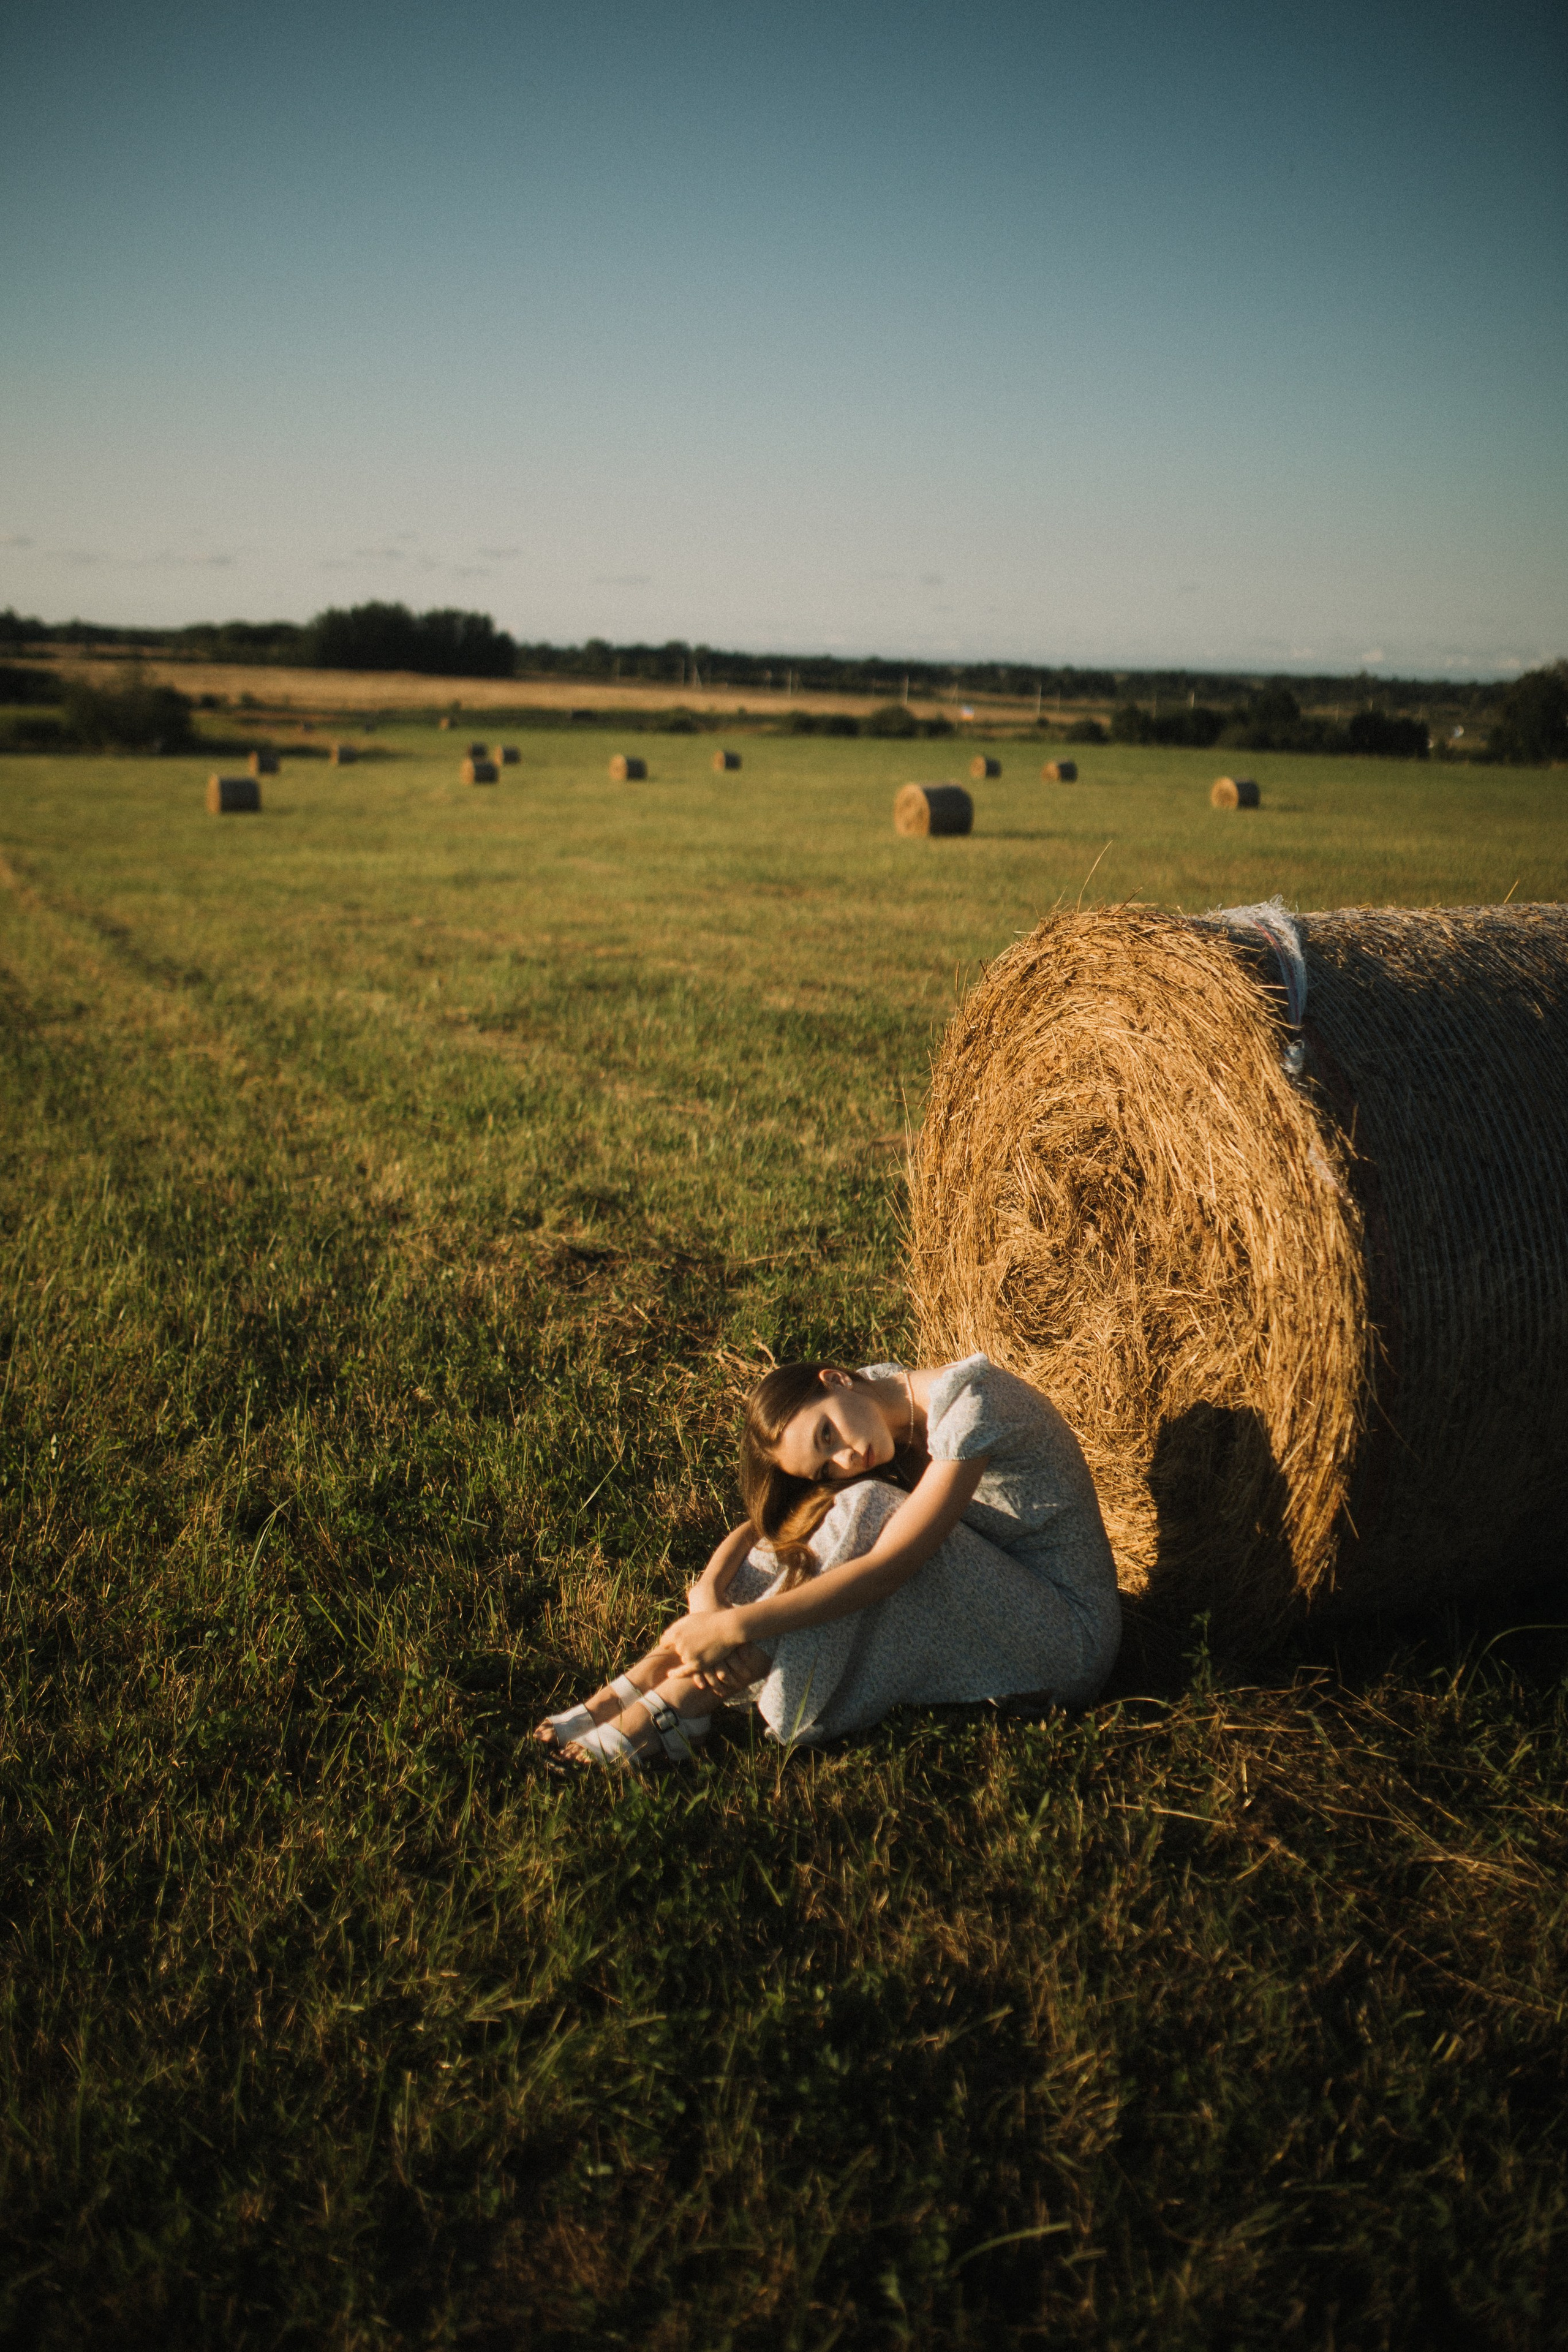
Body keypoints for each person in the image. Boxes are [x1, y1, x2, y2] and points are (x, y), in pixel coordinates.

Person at [534, 1353, 1121, 1766]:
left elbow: (889, 1567)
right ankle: (641, 1685)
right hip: (999, 1597)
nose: (845, 1458)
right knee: (835, 1515)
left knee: (866, 1506)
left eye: (826, 1436)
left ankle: (682, 1705)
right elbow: (776, 1527)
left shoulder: (974, 1404)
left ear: (837, 1379)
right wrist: (709, 1592)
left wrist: (735, 1625)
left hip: (1067, 1638)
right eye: (825, 1463)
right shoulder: (884, 1397)